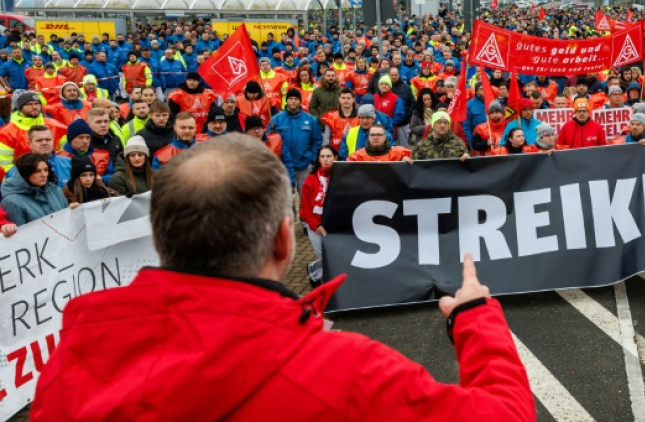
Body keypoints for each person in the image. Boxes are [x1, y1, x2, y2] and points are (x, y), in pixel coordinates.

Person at [32, 134, 533, 420]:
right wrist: (475, 319)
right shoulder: (348, 372)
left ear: (162, 239)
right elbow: (506, 414)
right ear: (282, 241)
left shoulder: (66, 369)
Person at [0, 91, 67, 177]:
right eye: (29, 104)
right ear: (20, 107)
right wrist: (21, 179)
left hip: (57, 174)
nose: (34, 107)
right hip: (23, 178)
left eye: (37, 103)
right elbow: (4, 165)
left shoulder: (56, 126)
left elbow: (65, 154)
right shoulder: (6, 133)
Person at [269, 88, 322, 194]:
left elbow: (317, 140)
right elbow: (270, 142)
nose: (293, 101)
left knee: (307, 197)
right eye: (291, 98)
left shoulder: (311, 120)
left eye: (296, 99)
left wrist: (312, 159)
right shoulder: (275, 120)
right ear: (286, 100)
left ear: (300, 101)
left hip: (304, 165)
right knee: (286, 199)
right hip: (283, 167)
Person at [300, 145, 336, 286]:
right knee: (326, 259)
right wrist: (316, 225)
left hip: (333, 225)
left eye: (329, 156)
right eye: (322, 156)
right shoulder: (310, 179)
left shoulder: (340, 178)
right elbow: (304, 209)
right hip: (315, 226)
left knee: (332, 258)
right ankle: (315, 275)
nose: (325, 159)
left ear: (335, 158)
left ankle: (313, 270)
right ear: (318, 159)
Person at [1, 153, 72, 225]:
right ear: (25, 173)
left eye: (46, 170)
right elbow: (18, 231)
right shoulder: (12, 202)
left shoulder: (55, 190)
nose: (44, 175)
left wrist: (72, 210)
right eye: (37, 171)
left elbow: (66, 221)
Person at [347, 123, 413, 162]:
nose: (375, 137)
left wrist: (405, 160)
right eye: (372, 135)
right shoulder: (358, 156)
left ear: (385, 137)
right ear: (369, 137)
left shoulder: (399, 152)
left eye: (379, 135)